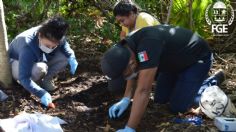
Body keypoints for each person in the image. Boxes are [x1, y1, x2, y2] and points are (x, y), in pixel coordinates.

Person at [101, 24, 224, 131]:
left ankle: (211, 81)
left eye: (123, 75)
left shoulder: (148, 45)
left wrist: (130, 128)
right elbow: (129, 72)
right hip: (171, 62)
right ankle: (184, 84)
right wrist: (126, 99)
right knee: (160, 99)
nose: (125, 78)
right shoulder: (124, 47)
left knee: (177, 107)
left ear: (131, 63)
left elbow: (143, 90)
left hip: (197, 60)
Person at [8, 16, 78, 107]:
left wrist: (71, 56)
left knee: (65, 56)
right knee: (39, 69)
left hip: (38, 58)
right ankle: (33, 84)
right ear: (40, 35)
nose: (50, 49)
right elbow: (24, 77)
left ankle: (45, 80)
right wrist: (41, 93)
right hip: (16, 63)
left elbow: (64, 44)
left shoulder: (56, 35)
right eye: (47, 45)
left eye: (54, 46)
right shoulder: (27, 45)